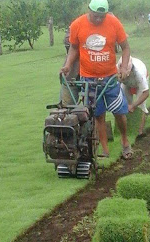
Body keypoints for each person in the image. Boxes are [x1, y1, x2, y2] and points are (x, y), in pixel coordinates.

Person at [60, 0, 133, 159]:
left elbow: (125, 47)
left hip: (110, 78)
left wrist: (123, 66)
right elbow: (73, 48)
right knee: (98, 115)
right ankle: (104, 150)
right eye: (96, 16)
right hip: (88, 79)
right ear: (89, 11)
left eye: (102, 16)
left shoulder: (114, 22)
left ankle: (125, 143)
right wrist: (67, 65)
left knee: (119, 112)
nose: (99, 20)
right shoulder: (77, 25)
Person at [117, 56, 150, 138]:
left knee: (141, 105)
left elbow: (146, 93)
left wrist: (133, 105)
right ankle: (126, 130)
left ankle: (140, 132)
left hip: (139, 83)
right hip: (126, 84)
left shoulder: (139, 74)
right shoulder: (116, 69)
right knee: (125, 105)